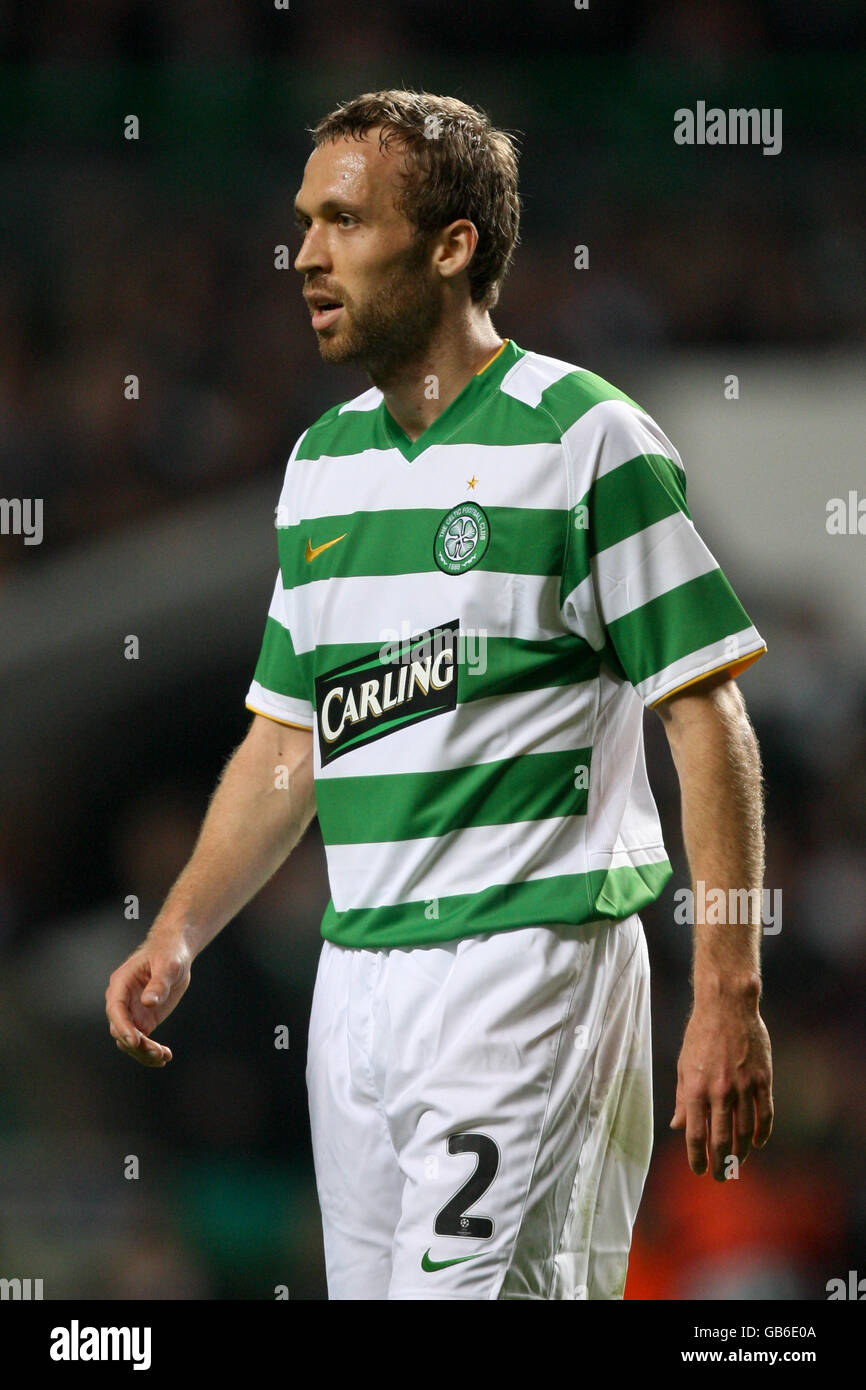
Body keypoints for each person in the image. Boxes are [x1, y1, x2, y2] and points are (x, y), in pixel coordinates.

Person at [105, 89, 774, 1301]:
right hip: (355, 980)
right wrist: (182, 926)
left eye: (344, 221)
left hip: (528, 963)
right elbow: (287, 735)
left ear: (452, 243)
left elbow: (703, 712)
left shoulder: (588, 440)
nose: (304, 252)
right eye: (304, 221)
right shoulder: (321, 467)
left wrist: (727, 986)